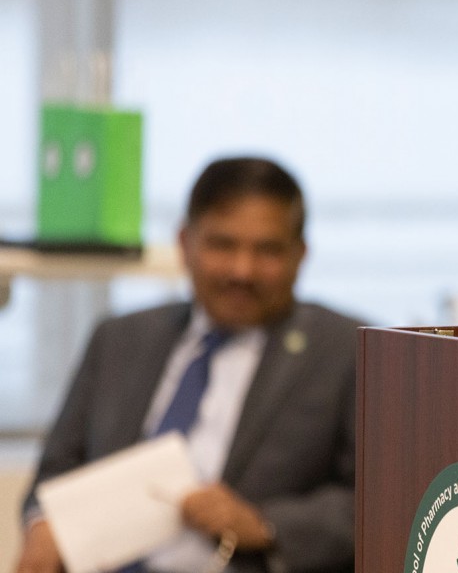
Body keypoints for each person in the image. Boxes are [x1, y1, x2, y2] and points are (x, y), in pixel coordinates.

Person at [16, 157, 358, 573]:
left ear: (300, 254)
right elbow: (53, 474)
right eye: (223, 245)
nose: (241, 270)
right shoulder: (119, 339)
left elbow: (381, 500)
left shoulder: (349, 350)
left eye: (266, 250)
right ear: (184, 243)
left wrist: (265, 524)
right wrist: (43, 523)